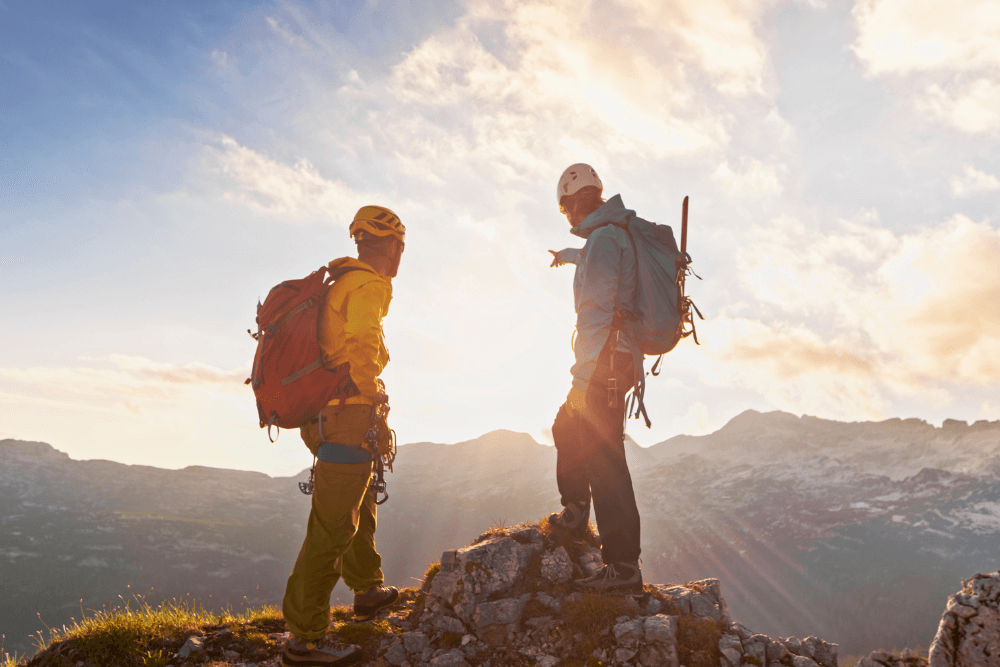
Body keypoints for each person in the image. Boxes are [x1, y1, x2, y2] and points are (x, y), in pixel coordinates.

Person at [281, 205, 405, 667]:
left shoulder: (337, 281)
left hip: (319, 417)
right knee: (333, 524)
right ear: (391, 246)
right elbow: (362, 339)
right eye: (398, 247)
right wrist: (370, 394)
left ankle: (367, 588)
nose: (397, 257)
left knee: (359, 500)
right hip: (349, 413)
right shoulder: (370, 283)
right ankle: (304, 638)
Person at [547, 163, 644, 594]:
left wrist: (579, 379)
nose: (567, 217)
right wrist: (568, 256)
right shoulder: (609, 235)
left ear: (574, 202)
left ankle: (623, 568)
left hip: (603, 360)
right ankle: (576, 507)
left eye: (565, 207)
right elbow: (606, 270)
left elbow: (596, 313)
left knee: (605, 460)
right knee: (567, 427)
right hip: (615, 357)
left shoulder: (604, 239)